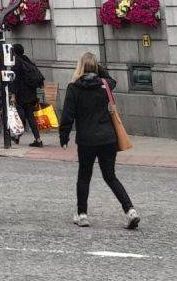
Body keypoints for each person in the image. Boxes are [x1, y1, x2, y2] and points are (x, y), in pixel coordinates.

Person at [58, 52, 138, 229]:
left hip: (86, 139)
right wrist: (96, 67)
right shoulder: (105, 84)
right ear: (96, 68)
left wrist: (64, 136)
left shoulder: (74, 87)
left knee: (84, 176)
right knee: (110, 176)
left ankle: (82, 214)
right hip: (108, 137)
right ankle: (130, 210)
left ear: (80, 67)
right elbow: (111, 78)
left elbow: (68, 115)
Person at [11, 43, 46, 147]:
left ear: (14, 52)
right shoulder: (27, 60)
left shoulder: (16, 62)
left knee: (21, 116)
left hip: (22, 94)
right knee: (30, 116)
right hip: (31, 93)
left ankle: (17, 136)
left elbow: (15, 80)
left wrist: (13, 95)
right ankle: (38, 139)